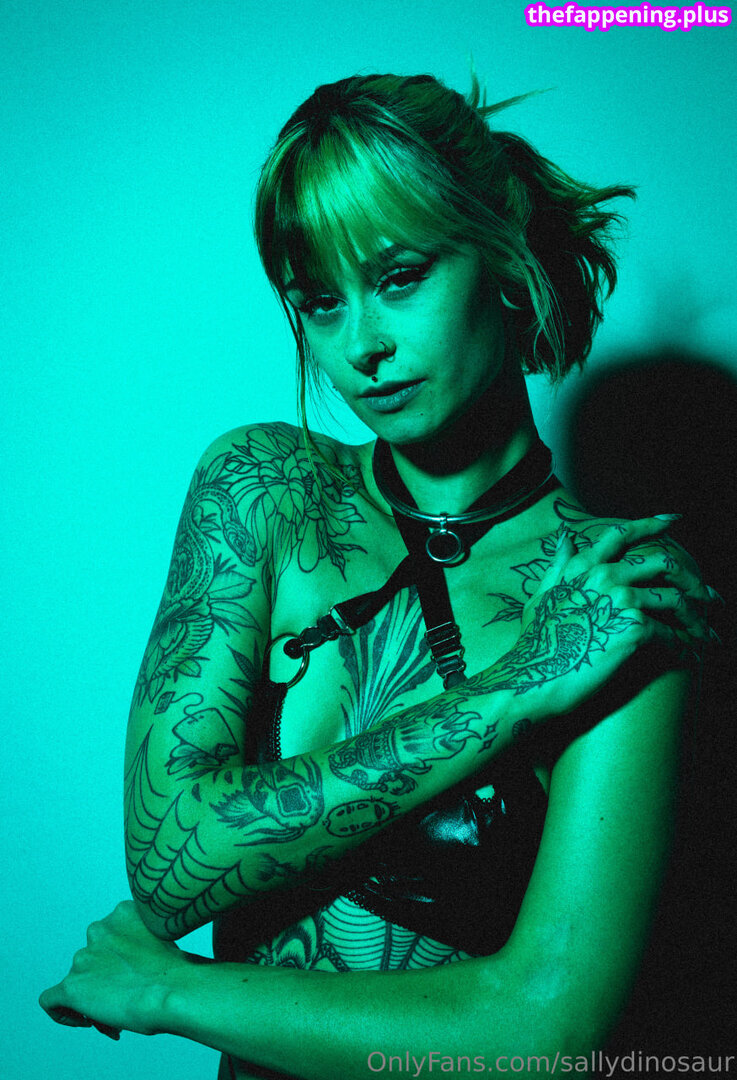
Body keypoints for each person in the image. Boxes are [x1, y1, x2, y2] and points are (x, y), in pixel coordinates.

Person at [40, 73, 719, 1079]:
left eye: (399, 277)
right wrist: (515, 689)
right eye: (320, 302)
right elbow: (173, 862)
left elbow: (545, 1028)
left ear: (502, 255)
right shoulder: (265, 492)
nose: (362, 346)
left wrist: (168, 991)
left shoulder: (612, 592)